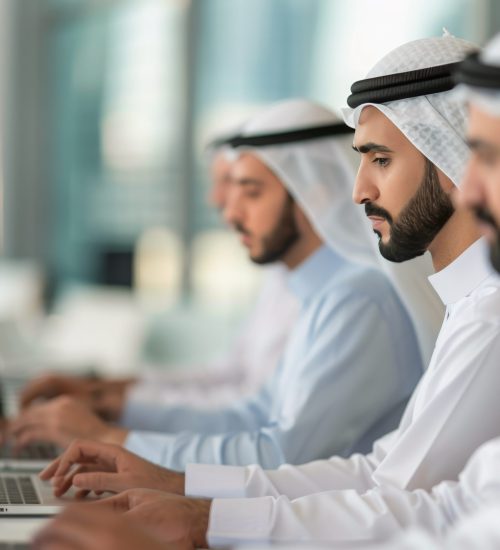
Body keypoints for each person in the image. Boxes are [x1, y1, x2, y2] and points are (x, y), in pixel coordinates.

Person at [8, 99, 423, 471]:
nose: (228, 213)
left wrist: (110, 439)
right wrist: (108, 410)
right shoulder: (319, 290)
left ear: (311, 195)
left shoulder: (356, 298)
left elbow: (284, 454)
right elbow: (252, 414)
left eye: (252, 193)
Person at [17, 143, 300, 420]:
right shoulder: (280, 277)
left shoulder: (330, 293)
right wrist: (101, 392)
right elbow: (226, 377)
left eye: (247, 189)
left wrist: (109, 416)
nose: (222, 204)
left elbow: (255, 417)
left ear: (308, 190)